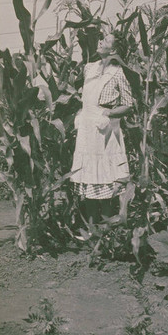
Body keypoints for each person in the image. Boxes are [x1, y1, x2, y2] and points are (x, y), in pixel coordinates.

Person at [71, 31, 133, 223]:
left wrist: (109, 113)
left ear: (113, 49)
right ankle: (92, 229)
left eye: (105, 40)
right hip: (86, 129)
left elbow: (128, 103)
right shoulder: (89, 68)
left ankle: (107, 233)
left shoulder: (118, 72)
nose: (99, 41)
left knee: (104, 179)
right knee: (89, 178)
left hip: (103, 130)